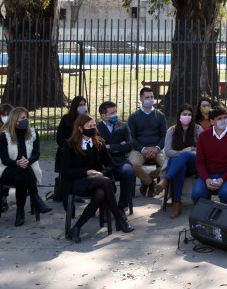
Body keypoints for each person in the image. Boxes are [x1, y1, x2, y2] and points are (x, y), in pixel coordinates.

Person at [61, 114, 134, 242]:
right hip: (76, 182)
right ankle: (119, 219)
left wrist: (102, 173)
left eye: (94, 125)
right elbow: (66, 171)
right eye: (89, 126)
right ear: (80, 128)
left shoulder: (99, 142)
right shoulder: (70, 145)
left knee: (100, 192)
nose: (93, 128)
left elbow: (111, 164)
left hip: (97, 182)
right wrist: (86, 172)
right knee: (105, 182)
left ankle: (76, 228)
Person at [0, 106, 52, 225]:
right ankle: (35, 199)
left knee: (21, 177)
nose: (25, 120)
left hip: (26, 169)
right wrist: (17, 163)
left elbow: (36, 154)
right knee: (22, 171)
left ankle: (20, 211)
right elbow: (4, 159)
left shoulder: (33, 133)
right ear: (14, 120)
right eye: (22, 118)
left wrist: (28, 161)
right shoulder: (5, 135)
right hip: (6, 169)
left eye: (26, 118)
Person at [192, 104, 227, 206]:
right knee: (197, 194)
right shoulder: (203, 136)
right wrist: (206, 179)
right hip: (208, 174)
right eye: (219, 118)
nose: (223, 120)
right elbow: (200, 162)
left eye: (225, 117)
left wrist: (223, 179)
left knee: (226, 194)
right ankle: (205, 219)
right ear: (212, 121)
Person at [159, 104, 201, 218]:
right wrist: (183, 154)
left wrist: (191, 149)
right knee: (181, 166)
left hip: (194, 164)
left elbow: (203, 149)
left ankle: (166, 179)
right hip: (178, 165)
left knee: (185, 155)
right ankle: (177, 203)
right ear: (179, 116)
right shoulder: (172, 130)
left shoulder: (198, 129)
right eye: (184, 114)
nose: (187, 116)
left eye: (189, 115)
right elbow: (167, 151)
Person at [96, 100, 136, 213]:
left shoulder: (123, 126)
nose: (115, 115)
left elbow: (129, 145)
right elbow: (97, 148)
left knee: (128, 172)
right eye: (112, 113)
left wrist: (109, 147)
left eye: (116, 112)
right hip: (104, 162)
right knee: (103, 176)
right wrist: (119, 146)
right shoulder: (96, 128)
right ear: (103, 116)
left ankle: (121, 207)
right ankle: (105, 205)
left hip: (120, 160)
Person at [127, 86, 168, 196]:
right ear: (141, 99)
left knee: (168, 165)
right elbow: (131, 137)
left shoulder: (160, 115)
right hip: (139, 149)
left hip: (157, 149)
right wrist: (142, 149)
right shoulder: (133, 117)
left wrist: (157, 148)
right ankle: (149, 182)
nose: (150, 99)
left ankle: (146, 181)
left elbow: (164, 135)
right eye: (147, 97)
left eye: (152, 97)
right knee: (132, 164)